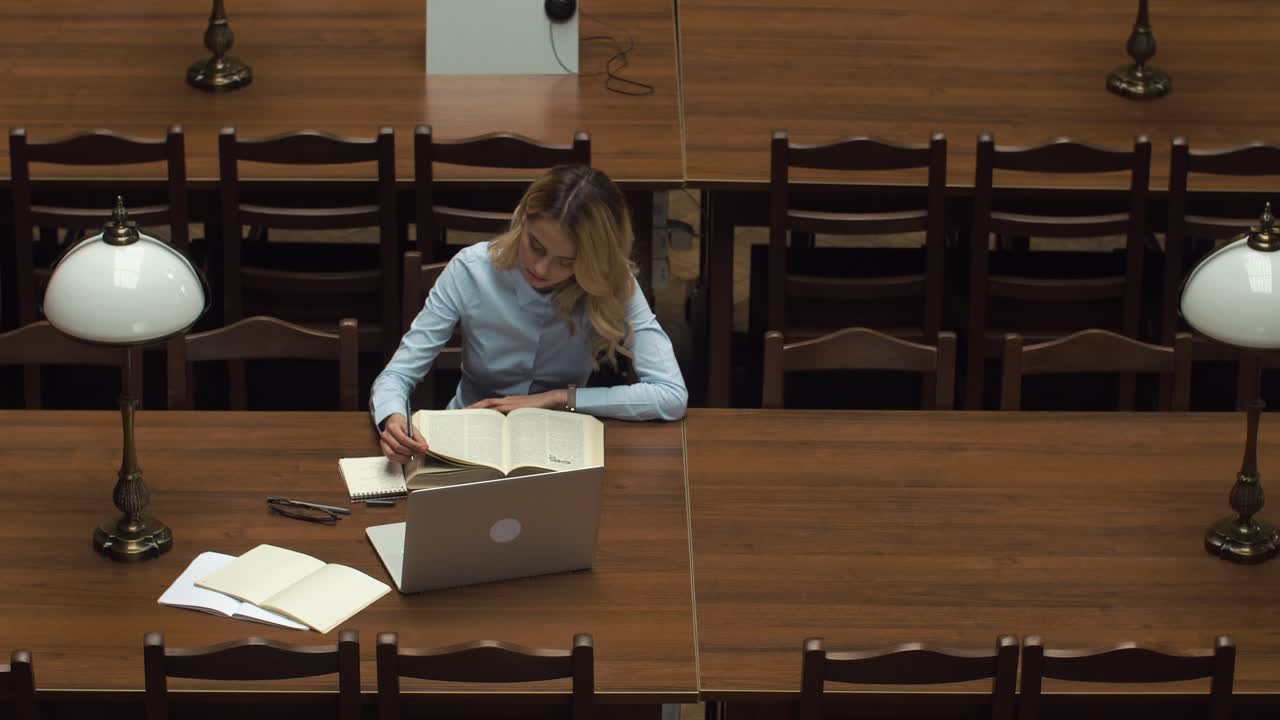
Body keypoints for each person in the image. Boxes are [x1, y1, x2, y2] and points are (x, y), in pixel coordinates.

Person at [372, 164, 688, 463]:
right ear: (523, 218)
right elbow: (397, 375)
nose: (540, 268)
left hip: (561, 438)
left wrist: (559, 398)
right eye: (535, 245)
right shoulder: (470, 270)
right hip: (468, 435)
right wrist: (393, 418)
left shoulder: (612, 281)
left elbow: (671, 395)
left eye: (566, 261)